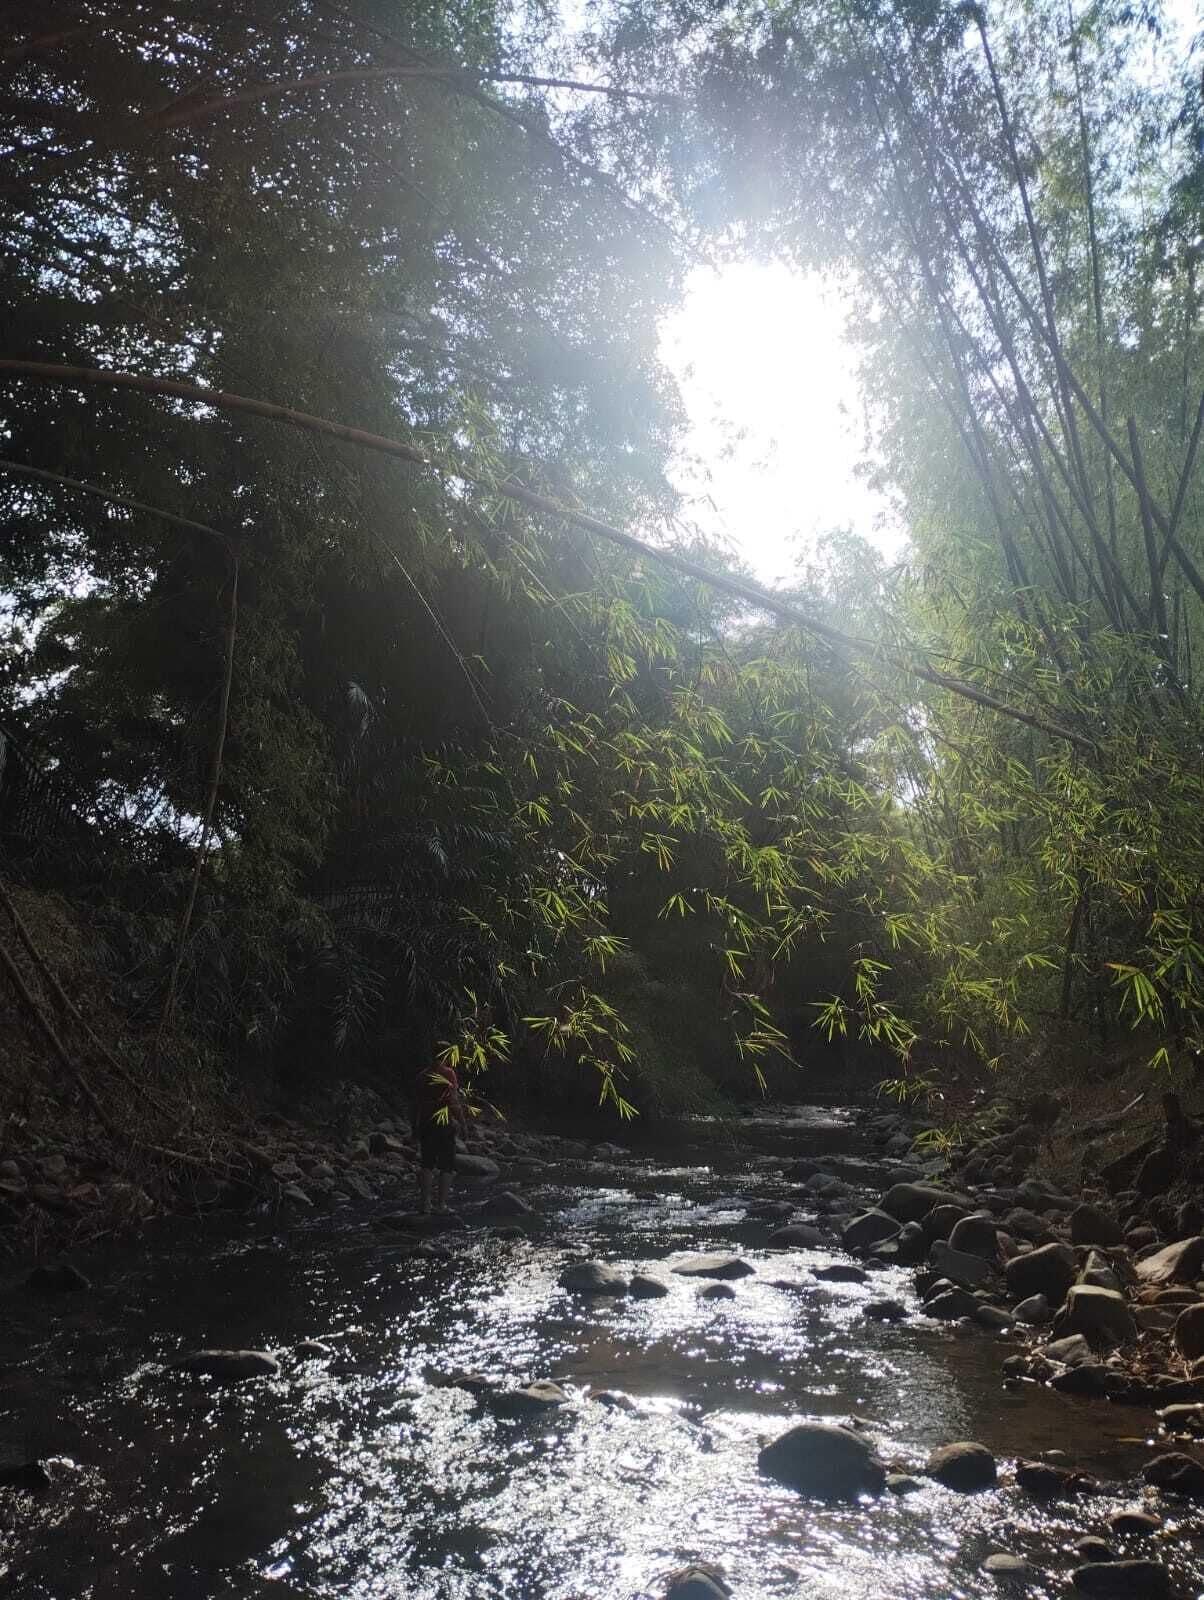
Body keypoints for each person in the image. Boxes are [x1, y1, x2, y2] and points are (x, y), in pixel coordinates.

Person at [411, 1056, 468, 1214]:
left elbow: (415, 1104)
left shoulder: (421, 1076)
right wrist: (463, 1123)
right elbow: (453, 1101)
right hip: (444, 1124)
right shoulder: (448, 1073)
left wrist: (413, 1127)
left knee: (427, 1164)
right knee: (447, 1166)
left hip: (425, 1123)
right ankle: (441, 1205)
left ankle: (425, 1204)